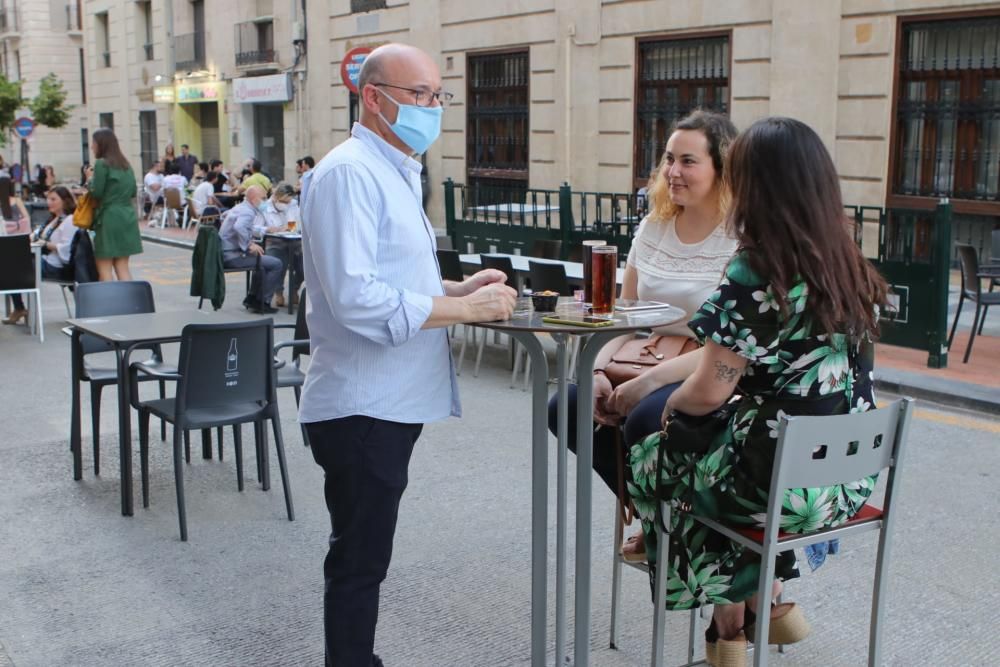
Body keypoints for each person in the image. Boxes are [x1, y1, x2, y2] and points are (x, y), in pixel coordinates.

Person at [627, 117, 889, 666]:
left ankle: (727, 628)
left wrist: (664, 406)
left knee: (655, 453)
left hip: (779, 486)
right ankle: (761, 613)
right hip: (843, 479)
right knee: (708, 460)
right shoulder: (847, 262)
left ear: (756, 185)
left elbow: (707, 391)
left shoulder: (757, 267)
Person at [298, 42, 516, 667]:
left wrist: (454, 290)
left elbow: (390, 278)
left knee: (366, 557)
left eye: (437, 95)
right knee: (359, 563)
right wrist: (467, 312)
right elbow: (356, 298)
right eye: (419, 94)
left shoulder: (395, 168)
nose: (432, 107)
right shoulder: (348, 173)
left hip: (387, 404)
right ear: (373, 98)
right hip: (362, 407)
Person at [546, 110, 739, 562]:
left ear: (721, 168)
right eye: (669, 159)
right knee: (566, 406)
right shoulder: (653, 226)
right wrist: (595, 370)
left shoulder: (739, 239)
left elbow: (727, 344)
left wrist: (647, 382)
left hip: (704, 367)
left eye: (688, 161)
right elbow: (622, 315)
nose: (673, 172)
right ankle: (660, 517)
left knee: (646, 418)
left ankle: (668, 527)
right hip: (641, 353)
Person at [87, 128, 143, 281]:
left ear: (101, 144)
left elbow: (96, 193)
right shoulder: (126, 165)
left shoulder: (101, 164)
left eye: (93, 143)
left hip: (109, 217)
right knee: (122, 267)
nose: (91, 147)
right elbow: (132, 191)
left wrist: (89, 180)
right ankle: (128, 302)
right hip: (127, 217)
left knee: (104, 268)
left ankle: (111, 303)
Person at [218, 184, 283, 313]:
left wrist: (265, 229)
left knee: (262, 261)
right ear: (254, 199)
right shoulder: (247, 211)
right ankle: (262, 301)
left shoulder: (241, 208)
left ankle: (253, 298)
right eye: (263, 198)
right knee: (276, 264)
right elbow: (239, 227)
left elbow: (244, 226)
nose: (266, 201)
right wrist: (249, 244)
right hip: (233, 256)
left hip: (226, 253)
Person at [259, 183, 302, 308]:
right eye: (284, 201)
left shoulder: (293, 204)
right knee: (279, 263)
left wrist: (291, 224)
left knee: (303, 267)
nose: (287, 204)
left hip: (294, 241)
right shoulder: (264, 207)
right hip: (275, 242)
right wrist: (270, 229)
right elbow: (256, 228)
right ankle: (279, 292)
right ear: (276, 197)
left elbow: (297, 223)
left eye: (289, 202)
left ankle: (294, 288)